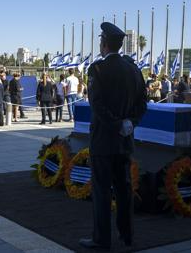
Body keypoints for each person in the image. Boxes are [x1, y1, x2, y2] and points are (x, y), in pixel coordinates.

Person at [79, 22, 147, 250]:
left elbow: (96, 105)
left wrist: (116, 124)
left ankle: (101, 238)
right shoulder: (134, 70)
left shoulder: (97, 69)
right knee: (124, 189)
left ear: (104, 44)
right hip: (124, 140)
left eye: (100, 41)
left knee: (101, 191)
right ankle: (127, 235)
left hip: (103, 139)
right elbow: (142, 104)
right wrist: (130, 123)